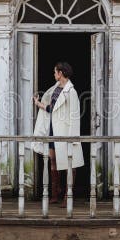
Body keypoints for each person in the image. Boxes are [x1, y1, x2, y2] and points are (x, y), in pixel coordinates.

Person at [32, 62, 85, 205]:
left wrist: (73, 137)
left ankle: (68, 194)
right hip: (53, 130)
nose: (54, 74)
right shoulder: (55, 89)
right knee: (53, 161)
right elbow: (51, 108)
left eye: (55, 72)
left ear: (60, 73)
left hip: (65, 132)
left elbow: (74, 116)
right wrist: (38, 104)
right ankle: (55, 193)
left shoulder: (71, 92)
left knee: (69, 162)